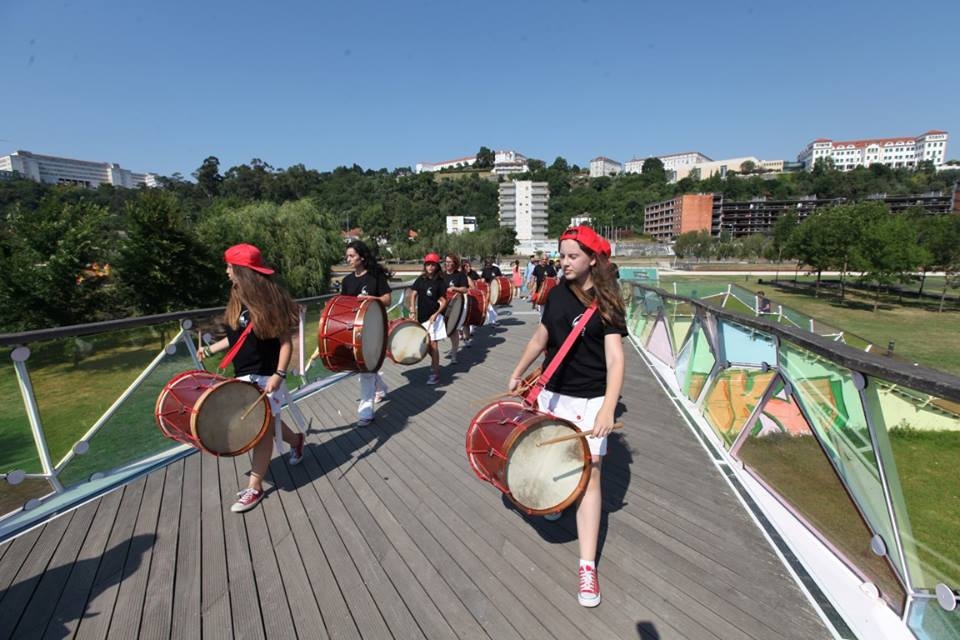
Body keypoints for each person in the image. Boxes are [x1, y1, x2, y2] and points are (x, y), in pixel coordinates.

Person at [507, 225, 626, 608]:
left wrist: (608, 406)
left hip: (590, 398)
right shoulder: (557, 293)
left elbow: (615, 359)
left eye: (572, 256)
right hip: (552, 394)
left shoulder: (607, 300)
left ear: (592, 259)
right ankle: (557, 501)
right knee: (551, 457)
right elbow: (541, 338)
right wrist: (518, 370)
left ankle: (587, 565)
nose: (565, 263)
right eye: (562, 256)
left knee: (590, 478)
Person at [198, 243, 305, 514]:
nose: (226, 272)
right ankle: (296, 441)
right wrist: (210, 349)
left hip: (265, 378)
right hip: (242, 377)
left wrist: (279, 375)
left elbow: (285, 343)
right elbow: (236, 338)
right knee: (266, 426)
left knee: (259, 433)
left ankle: (254, 487)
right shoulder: (238, 298)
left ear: (242, 271)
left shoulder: (270, 302)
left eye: (229, 267)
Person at [341, 240, 391, 427]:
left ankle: (366, 411)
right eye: (347, 256)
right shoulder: (347, 281)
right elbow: (344, 306)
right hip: (354, 330)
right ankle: (381, 387)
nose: (348, 259)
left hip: (375, 327)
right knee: (363, 365)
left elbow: (387, 299)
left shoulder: (375, 277)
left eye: (352, 256)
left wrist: (373, 299)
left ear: (361, 257)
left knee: (365, 369)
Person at [407, 252, 447, 385]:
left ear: (436, 266)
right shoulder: (421, 279)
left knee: (433, 345)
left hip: (434, 318)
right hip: (422, 317)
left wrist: (436, 314)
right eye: (428, 264)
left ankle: (435, 373)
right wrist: (412, 309)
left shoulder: (440, 281)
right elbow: (413, 294)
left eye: (433, 265)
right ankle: (435, 364)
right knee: (426, 345)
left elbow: (443, 301)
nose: (430, 267)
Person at [441, 253, 469, 362]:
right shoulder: (441, 275)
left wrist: (455, 288)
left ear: (455, 263)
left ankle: (454, 354)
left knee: (453, 331)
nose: (447, 264)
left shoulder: (460, 275)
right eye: (446, 262)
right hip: (442, 306)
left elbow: (465, 289)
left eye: (450, 262)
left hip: (456, 307)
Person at [460, 260, 481, 346]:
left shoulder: (467, 278)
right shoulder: (458, 276)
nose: (468, 268)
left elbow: (474, 288)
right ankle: (461, 334)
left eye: (469, 266)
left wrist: (466, 290)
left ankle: (466, 339)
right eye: (466, 266)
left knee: (465, 321)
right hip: (457, 301)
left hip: (466, 300)